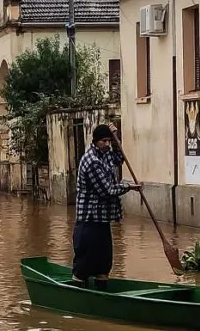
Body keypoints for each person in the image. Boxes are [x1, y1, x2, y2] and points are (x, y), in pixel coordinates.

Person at [72, 123, 142, 290]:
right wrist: (130, 187)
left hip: (102, 219)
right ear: (96, 141)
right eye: (105, 141)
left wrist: (117, 136)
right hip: (89, 220)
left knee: (104, 263)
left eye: (109, 141)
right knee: (84, 263)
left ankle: (102, 290)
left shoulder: (106, 154)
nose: (108, 144)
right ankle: (78, 292)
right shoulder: (92, 161)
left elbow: (120, 158)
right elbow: (107, 191)